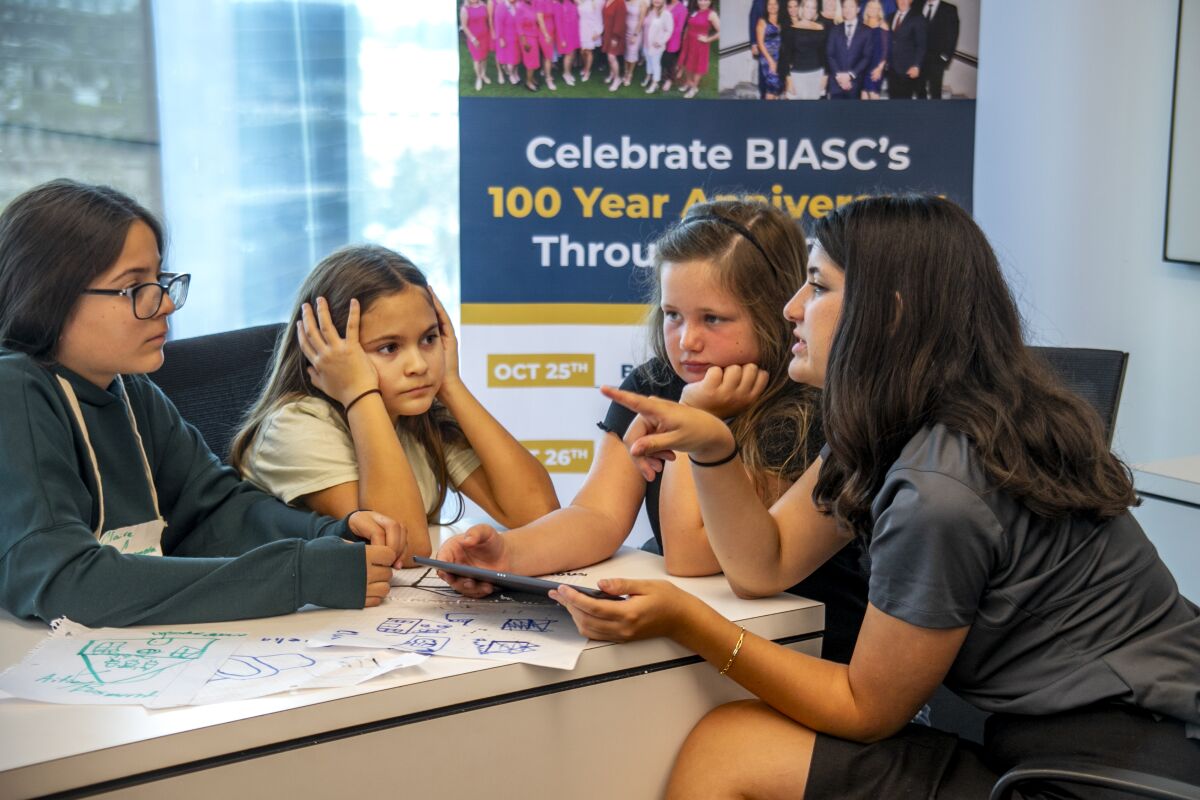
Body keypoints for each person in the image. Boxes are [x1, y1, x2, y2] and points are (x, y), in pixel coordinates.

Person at [551, 194, 1200, 798]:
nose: (791, 308)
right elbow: (764, 563)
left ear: (887, 312)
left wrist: (687, 621)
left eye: (819, 286)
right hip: (1110, 744)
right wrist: (715, 449)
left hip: (1102, 778)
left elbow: (865, 709)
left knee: (729, 746)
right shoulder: (907, 424)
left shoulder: (938, 490)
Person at [436, 200, 868, 666]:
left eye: (713, 319)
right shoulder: (654, 382)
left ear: (774, 313)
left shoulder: (807, 404)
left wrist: (695, 416)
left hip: (803, 649)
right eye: (672, 315)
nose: (687, 341)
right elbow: (597, 515)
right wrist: (508, 556)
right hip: (692, 639)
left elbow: (690, 554)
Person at [0, 179, 407, 627]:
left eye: (160, 280)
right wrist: (299, 574)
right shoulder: (13, 388)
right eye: (135, 288)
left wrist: (331, 535)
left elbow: (218, 511)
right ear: (49, 295)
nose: (166, 306)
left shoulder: (128, 388)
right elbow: (67, 583)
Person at [231, 245, 558, 569]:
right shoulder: (296, 426)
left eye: (429, 339)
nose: (418, 364)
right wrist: (359, 392)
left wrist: (451, 385)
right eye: (389, 347)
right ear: (326, 352)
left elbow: (540, 515)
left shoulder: (418, 413)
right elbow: (401, 549)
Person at [780, 0, 829, 99]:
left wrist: (825, 76)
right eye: (808, 7)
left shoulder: (821, 28)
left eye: (813, 7)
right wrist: (788, 79)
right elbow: (785, 56)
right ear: (802, 8)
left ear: (816, 10)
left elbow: (825, 54)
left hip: (817, 75)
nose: (810, 10)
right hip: (797, 75)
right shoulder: (790, 30)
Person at [826, 0, 870, 99]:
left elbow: (866, 57)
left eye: (851, 6)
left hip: (855, 84)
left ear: (858, 9)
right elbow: (830, 55)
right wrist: (839, 76)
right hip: (836, 83)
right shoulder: (834, 30)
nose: (847, 10)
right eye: (845, 7)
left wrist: (850, 75)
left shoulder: (867, 31)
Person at [676, 0, 720, 99]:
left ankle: (694, 88)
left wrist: (708, 39)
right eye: (700, 0)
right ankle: (688, 82)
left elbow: (720, 31)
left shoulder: (712, 14)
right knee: (687, 63)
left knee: (697, 67)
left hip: (700, 45)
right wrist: (684, 37)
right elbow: (688, 25)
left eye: (705, 0)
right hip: (688, 42)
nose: (702, 3)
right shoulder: (695, 11)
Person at [886, 0, 925, 99]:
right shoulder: (890, 17)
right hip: (891, 68)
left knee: (904, 102)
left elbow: (921, 45)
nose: (903, 1)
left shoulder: (917, 18)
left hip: (907, 69)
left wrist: (916, 66)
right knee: (893, 100)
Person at [918, 0, 957, 99]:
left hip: (936, 61)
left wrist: (944, 59)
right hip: (918, 60)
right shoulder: (917, 5)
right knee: (919, 91)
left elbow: (952, 37)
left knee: (935, 92)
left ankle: (935, 113)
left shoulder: (949, 9)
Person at [641, 0, 675, 93]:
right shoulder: (649, 11)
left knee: (655, 64)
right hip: (645, 44)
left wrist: (661, 42)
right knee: (648, 61)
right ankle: (648, 76)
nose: (657, 0)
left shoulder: (666, 14)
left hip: (656, 46)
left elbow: (669, 30)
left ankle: (655, 83)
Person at [755, 0, 786, 99]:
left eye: (775, 4)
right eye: (770, 4)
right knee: (771, 89)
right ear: (766, 6)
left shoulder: (782, 21)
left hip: (780, 58)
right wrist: (770, 61)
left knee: (778, 89)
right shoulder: (762, 21)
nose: (772, 6)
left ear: (778, 5)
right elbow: (760, 43)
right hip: (767, 58)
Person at [461, 0, 493, 92]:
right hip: (474, 38)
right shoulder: (465, 9)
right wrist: (473, 39)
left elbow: (487, 18)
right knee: (477, 59)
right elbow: (464, 26)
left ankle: (483, 74)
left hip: (485, 36)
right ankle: (478, 78)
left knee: (484, 57)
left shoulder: (483, 5)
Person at [860, 0, 889, 98]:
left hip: (876, 66)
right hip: (863, 66)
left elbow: (886, 50)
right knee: (863, 94)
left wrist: (880, 68)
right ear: (866, 9)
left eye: (875, 8)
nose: (872, 10)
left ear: (879, 10)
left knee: (873, 94)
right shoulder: (862, 25)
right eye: (870, 7)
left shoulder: (883, 25)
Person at [660, 0, 688, 91]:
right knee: (662, 58)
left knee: (669, 61)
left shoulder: (682, 9)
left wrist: (666, 36)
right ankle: (663, 74)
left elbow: (678, 29)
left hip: (672, 39)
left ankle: (669, 79)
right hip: (660, 37)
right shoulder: (665, 4)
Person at [492, 0, 522, 85]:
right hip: (506, 37)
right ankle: (511, 74)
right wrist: (501, 38)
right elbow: (498, 24)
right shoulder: (501, 6)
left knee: (517, 57)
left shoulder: (518, 4)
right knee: (510, 59)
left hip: (517, 36)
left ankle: (516, 72)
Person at [515, 0, 544, 90]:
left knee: (534, 60)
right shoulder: (520, 7)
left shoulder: (531, 5)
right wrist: (524, 42)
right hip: (527, 38)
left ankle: (531, 78)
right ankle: (528, 82)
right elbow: (518, 26)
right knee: (530, 62)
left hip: (534, 36)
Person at [601, 0, 628, 92]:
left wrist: (615, 37)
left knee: (611, 57)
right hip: (607, 34)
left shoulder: (620, 2)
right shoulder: (607, 1)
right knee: (609, 56)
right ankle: (612, 74)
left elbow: (620, 21)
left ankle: (617, 79)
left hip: (615, 35)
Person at [534, 0, 560, 90]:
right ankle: (548, 79)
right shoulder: (541, 1)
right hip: (545, 32)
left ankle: (545, 71)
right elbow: (539, 19)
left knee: (546, 55)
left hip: (551, 31)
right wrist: (546, 34)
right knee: (549, 57)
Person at [622, 0, 648, 88]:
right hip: (625, 29)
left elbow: (641, 20)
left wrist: (635, 34)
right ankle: (625, 71)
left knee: (632, 53)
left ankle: (630, 74)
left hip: (635, 31)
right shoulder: (626, 1)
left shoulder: (642, 2)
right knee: (625, 52)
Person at [577, 0, 605, 80]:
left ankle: (587, 71)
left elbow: (599, 17)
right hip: (582, 28)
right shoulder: (582, 1)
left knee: (588, 51)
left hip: (591, 28)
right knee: (582, 51)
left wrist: (599, 31)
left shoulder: (598, 2)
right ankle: (585, 67)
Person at [556, 0, 582, 85]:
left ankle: (569, 72)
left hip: (574, 33)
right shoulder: (559, 5)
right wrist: (562, 39)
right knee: (568, 55)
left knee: (573, 54)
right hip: (566, 35)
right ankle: (566, 74)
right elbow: (558, 24)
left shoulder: (572, 3)